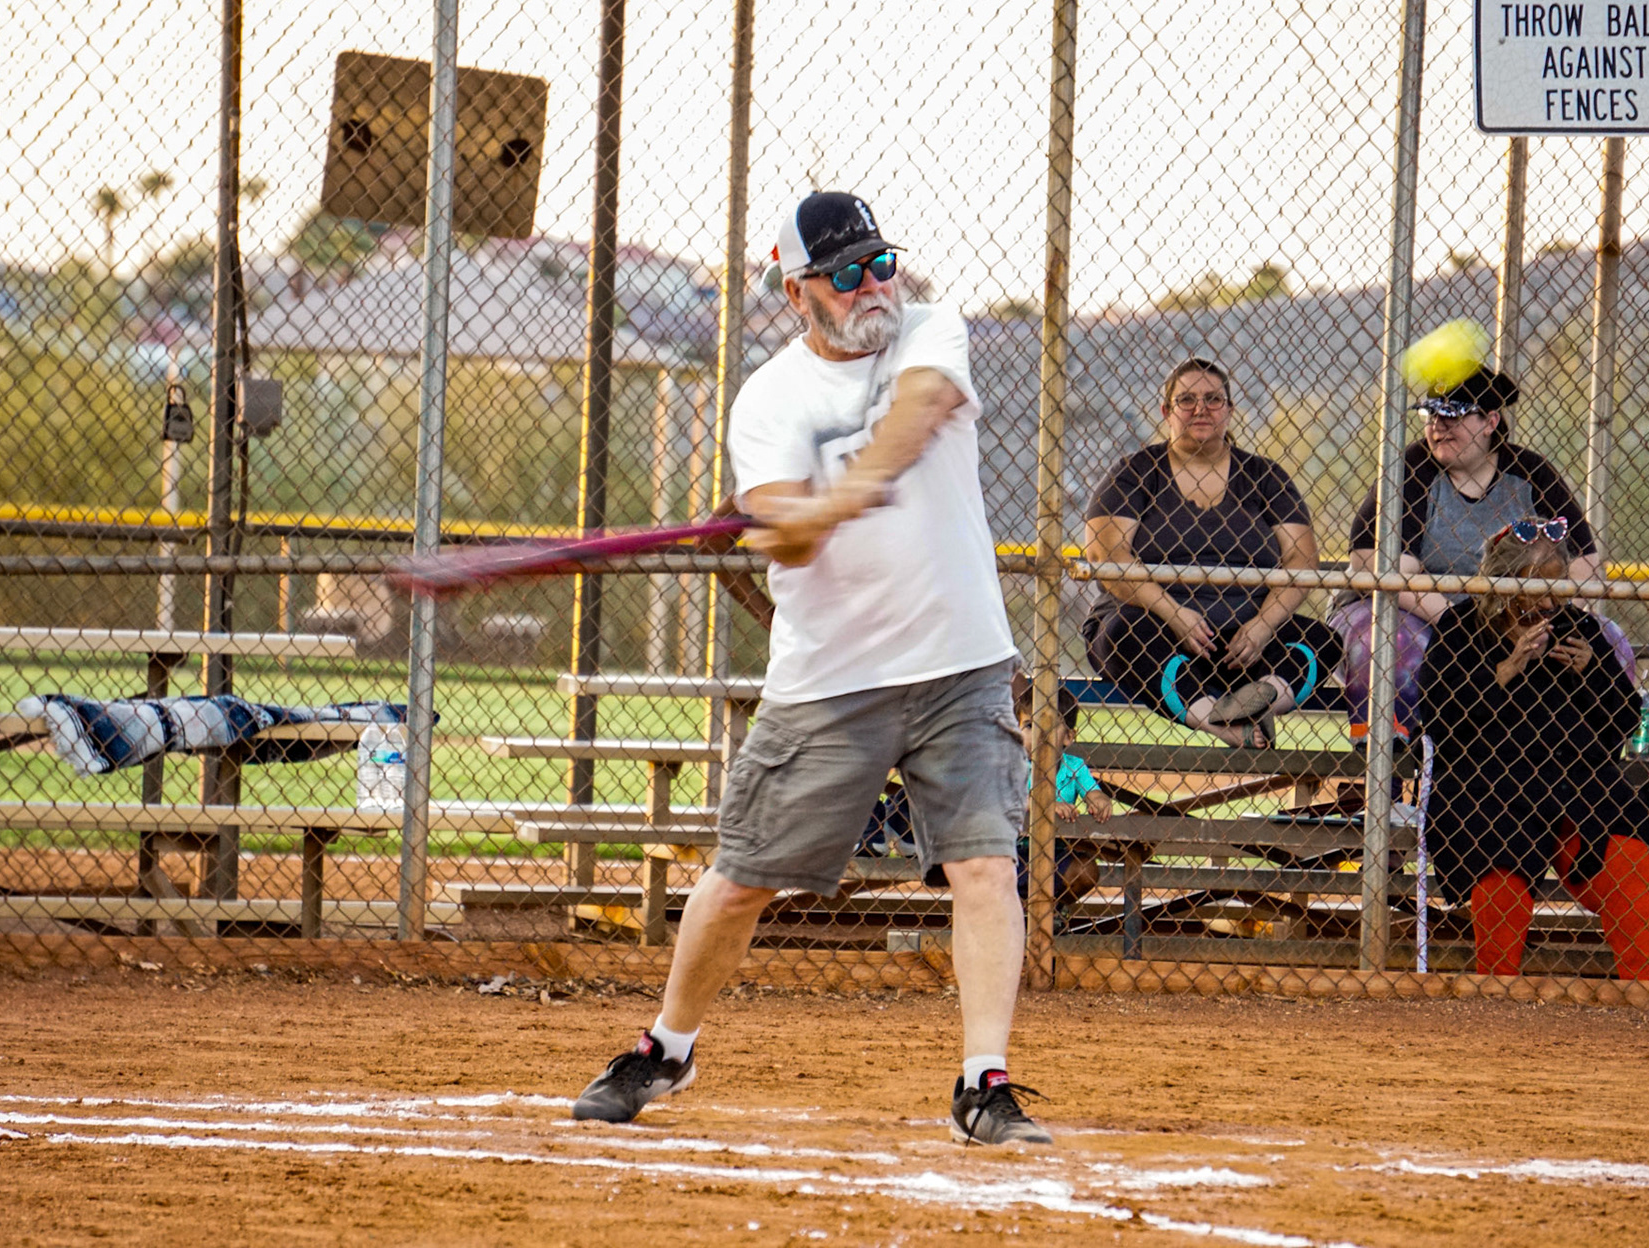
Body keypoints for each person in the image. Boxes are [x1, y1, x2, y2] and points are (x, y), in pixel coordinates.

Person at [571, 192, 1050, 1145]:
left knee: (985, 867)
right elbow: (786, 539)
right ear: (797, 292)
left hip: (958, 662)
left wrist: (839, 496)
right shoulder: (768, 399)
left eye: (880, 263)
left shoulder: (930, 329)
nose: (872, 285)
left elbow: (917, 416)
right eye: (845, 274)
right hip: (831, 679)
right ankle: (668, 1047)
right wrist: (796, 521)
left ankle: (983, 1080)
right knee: (742, 879)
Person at [1415, 519, 1649, 982]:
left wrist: (1593, 672)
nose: (1551, 602)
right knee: (1500, 872)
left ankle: (1646, 993)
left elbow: (1625, 719)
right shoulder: (1462, 627)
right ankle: (1498, 991)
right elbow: (1438, 720)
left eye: (1558, 587)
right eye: (1538, 589)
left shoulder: (1578, 626)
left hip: (1577, 782)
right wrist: (1507, 669)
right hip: (1490, 784)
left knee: (1628, 855)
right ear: (1504, 581)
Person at [1332, 365, 1631, 742]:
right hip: (1413, 613)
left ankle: (1585, 761)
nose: (1438, 427)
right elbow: (1389, 573)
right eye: (1432, 415)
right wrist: (1468, 629)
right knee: (1397, 641)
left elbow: (1585, 568)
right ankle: (1391, 768)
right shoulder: (1411, 470)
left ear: (1491, 421)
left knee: (1609, 639)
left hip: (1510, 618)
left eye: (1454, 416)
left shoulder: (1531, 473)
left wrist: (1543, 623)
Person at [1081, 357, 1340, 748]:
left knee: (1323, 640)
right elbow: (1108, 557)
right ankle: (1223, 723)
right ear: (1167, 412)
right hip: (1158, 627)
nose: (1200, 409)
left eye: (1213, 399)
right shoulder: (1135, 472)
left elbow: (1302, 560)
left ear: (1230, 410)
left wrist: (1262, 625)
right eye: (1186, 400)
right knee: (1121, 633)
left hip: (1244, 642)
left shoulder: (1263, 476)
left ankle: (1260, 701)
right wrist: (1175, 614)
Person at [1013, 678, 1111, 915]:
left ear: (1068, 736)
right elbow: (1006, 799)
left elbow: (1093, 792)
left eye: (1049, 726)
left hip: (1058, 853)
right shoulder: (1012, 764)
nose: (1039, 734)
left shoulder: (1074, 767)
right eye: (1029, 726)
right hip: (1013, 852)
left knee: (1086, 870)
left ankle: (1052, 909)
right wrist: (1044, 805)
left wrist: (1099, 801)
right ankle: (1015, 911)